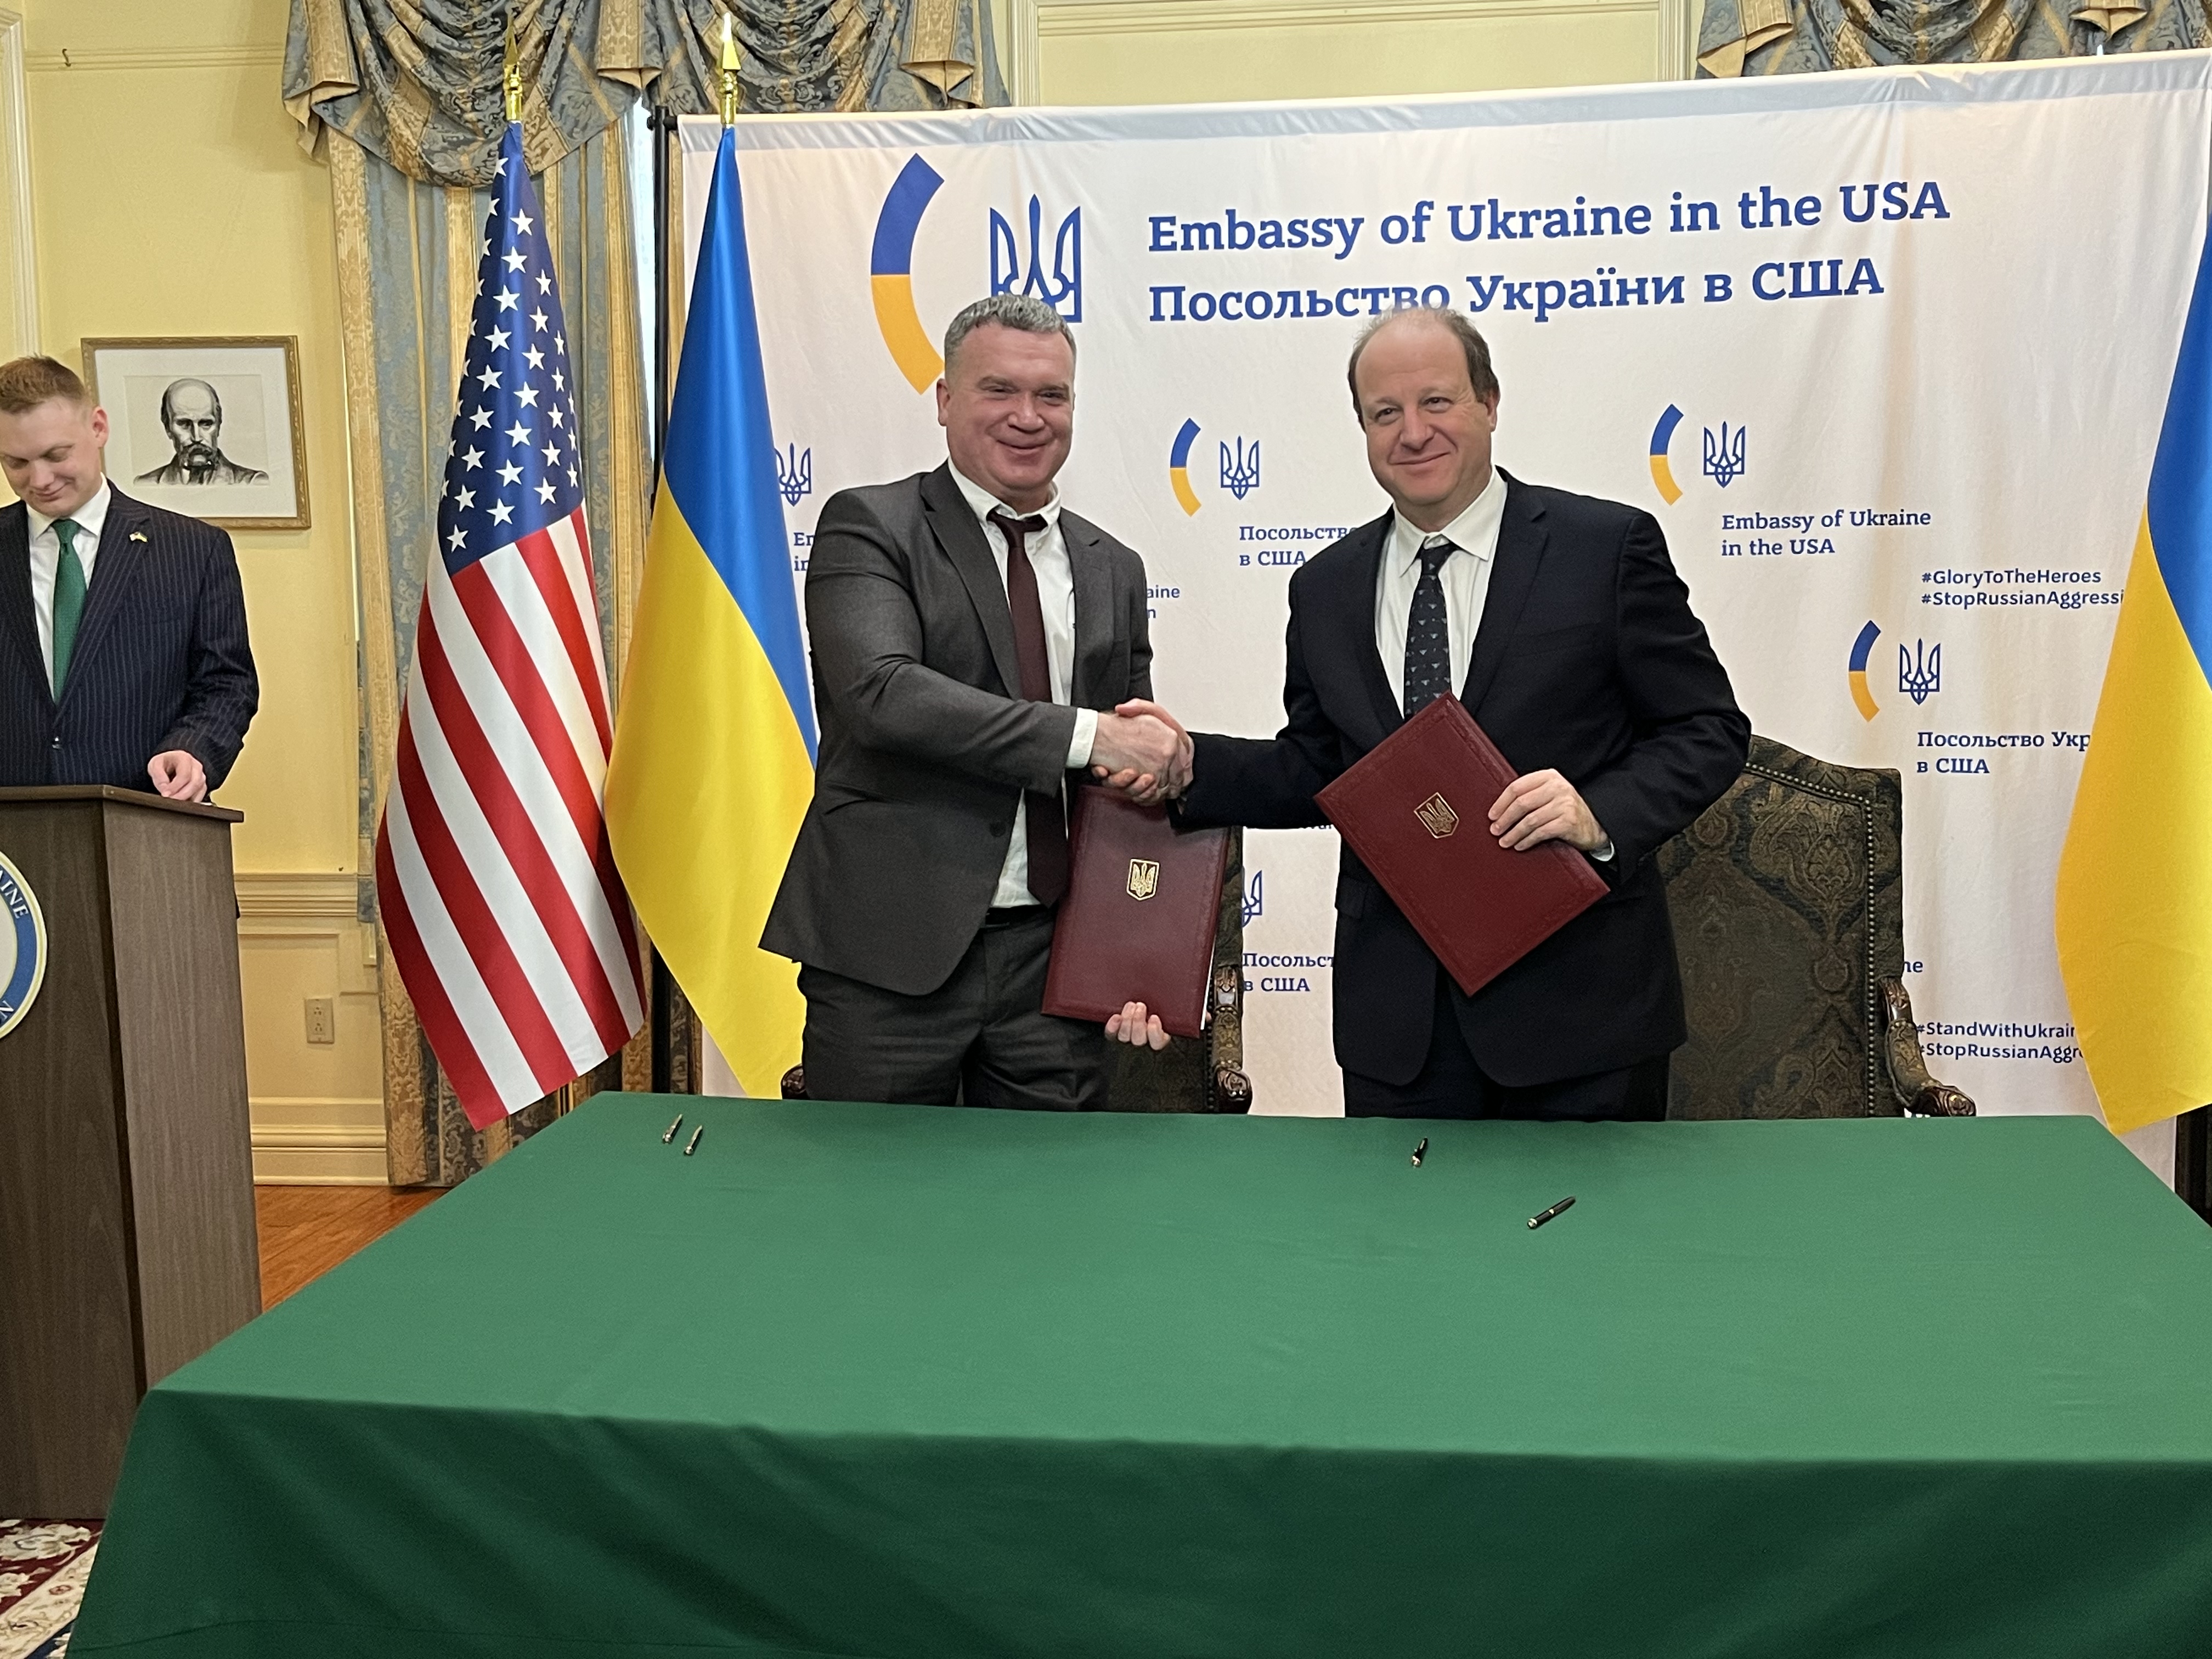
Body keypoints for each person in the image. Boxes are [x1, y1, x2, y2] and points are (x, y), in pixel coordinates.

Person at [1109, 307, 1747, 1120]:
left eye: (1438, 403)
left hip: (1581, 1018)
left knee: (1587, 1251)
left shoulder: (1607, 547)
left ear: (1489, 403)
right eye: (1386, 413)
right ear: (1363, 427)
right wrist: (1191, 764)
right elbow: (1323, 771)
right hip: (1398, 1028)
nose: (1413, 432)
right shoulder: (1325, 588)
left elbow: (1708, 729)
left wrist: (1600, 812)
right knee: (1403, 1252)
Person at [761, 295, 1185, 1110]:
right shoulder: (869, 526)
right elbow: (881, 695)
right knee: (872, 1215)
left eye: (1052, 395)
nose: (1028, 417)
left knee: (1047, 1220)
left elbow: (1122, 770)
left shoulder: (1114, 566)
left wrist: (1139, 950)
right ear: (946, 400)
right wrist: (1090, 735)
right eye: (999, 390)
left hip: (1057, 969)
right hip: (890, 961)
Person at [0, 354, 258, 800]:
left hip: (149, 823)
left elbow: (226, 683)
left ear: (98, 428)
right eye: (16, 462)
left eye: (55, 455)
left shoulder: (193, 549)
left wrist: (193, 750)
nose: (39, 479)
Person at [134, 379, 269, 486]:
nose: (197, 437)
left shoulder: (253, 482)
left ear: (219, 424)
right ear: (167, 428)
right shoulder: (146, 484)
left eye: (206, 424)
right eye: (184, 424)